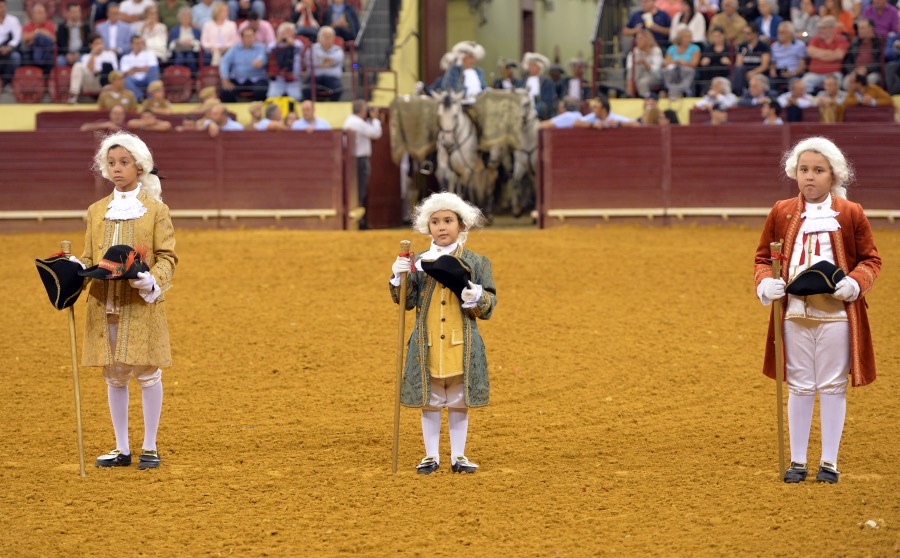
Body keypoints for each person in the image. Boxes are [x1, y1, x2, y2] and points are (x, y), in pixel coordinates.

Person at [754, 136, 881, 484]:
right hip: (794, 312)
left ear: (834, 174)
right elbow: (763, 258)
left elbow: (871, 260)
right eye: (804, 169)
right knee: (799, 385)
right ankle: (797, 460)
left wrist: (854, 282)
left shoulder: (851, 213)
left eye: (818, 170)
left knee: (832, 386)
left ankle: (829, 461)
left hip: (837, 315)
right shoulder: (781, 211)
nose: (809, 176)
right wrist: (765, 283)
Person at [72, 132, 177, 472]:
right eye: (112, 163)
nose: (116, 169)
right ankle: (122, 448)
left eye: (124, 163)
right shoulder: (96, 211)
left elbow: (167, 256)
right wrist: (72, 272)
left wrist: (152, 280)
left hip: (140, 303)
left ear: (139, 167)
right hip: (105, 304)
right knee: (115, 375)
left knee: (147, 372)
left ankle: (150, 446)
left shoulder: (156, 210)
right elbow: (89, 258)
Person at [389, 192, 496, 475]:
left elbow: (488, 307)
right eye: (435, 222)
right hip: (427, 343)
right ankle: (431, 455)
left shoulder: (477, 262)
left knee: (459, 400)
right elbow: (407, 301)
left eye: (448, 220)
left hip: (461, 342)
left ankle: (458, 455)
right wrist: (398, 277)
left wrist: (477, 296)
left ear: (462, 225)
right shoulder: (418, 262)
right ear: (428, 227)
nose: (442, 227)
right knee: (431, 400)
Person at [343, 99, 382, 230]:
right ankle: (359, 221)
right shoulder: (357, 123)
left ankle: (359, 220)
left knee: (358, 190)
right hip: (359, 160)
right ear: (362, 111)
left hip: (356, 160)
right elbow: (376, 133)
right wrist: (375, 119)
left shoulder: (353, 121)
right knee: (359, 190)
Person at [219, 26, 267, 102]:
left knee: (261, 90)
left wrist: (260, 62)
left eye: (251, 36)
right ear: (242, 38)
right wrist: (225, 78)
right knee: (225, 91)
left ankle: (257, 108)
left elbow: (262, 57)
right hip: (238, 79)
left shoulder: (260, 47)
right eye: (247, 36)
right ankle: (234, 108)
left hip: (257, 79)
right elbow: (225, 62)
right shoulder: (235, 48)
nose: (250, 38)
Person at [802, 16, 848, 93]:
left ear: (832, 28)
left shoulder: (841, 39)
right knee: (803, 85)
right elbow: (810, 52)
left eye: (823, 28)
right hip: (814, 74)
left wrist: (817, 53)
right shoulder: (815, 38)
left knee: (835, 84)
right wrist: (831, 53)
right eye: (820, 28)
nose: (820, 31)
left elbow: (839, 55)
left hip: (833, 73)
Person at [68, 33, 118, 103]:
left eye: (101, 43)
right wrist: (93, 54)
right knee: (78, 65)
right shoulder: (86, 57)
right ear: (91, 45)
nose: (100, 45)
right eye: (97, 43)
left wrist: (101, 71)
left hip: (105, 82)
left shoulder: (110, 54)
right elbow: (89, 71)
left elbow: (114, 71)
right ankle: (74, 95)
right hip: (90, 82)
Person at [267, 21, 304, 100]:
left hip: (293, 78)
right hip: (278, 78)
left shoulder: (297, 43)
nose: (287, 35)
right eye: (285, 32)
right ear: (280, 33)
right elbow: (269, 49)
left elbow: (300, 48)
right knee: (272, 97)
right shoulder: (273, 44)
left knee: (296, 97)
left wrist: (291, 43)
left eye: (290, 32)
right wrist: (278, 42)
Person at [842, 19, 882, 90]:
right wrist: (852, 71)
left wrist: (866, 69)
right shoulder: (854, 43)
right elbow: (847, 61)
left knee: (869, 80)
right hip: (855, 72)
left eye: (862, 28)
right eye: (859, 28)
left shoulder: (879, 43)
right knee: (846, 83)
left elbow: (880, 62)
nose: (860, 31)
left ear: (871, 29)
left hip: (871, 72)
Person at [662, 26, 700, 99]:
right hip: (673, 70)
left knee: (687, 72)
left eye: (690, 36)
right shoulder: (672, 48)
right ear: (680, 37)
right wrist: (677, 62)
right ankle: (670, 91)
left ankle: (684, 91)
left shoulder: (695, 48)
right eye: (686, 36)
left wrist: (684, 63)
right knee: (666, 72)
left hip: (687, 70)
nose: (688, 38)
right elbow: (666, 63)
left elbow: (694, 63)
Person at [307, 26, 343, 101]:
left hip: (332, 78)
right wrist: (328, 62)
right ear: (319, 38)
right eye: (325, 36)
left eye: (330, 37)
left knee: (338, 89)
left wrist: (320, 61)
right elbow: (310, 61)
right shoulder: (312, 48)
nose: (327, 39)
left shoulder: (338, 50)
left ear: (333, 38)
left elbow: (335, 60)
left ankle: (332, 105)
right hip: (314, 78)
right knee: (306, 89)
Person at [733, 23, 771, 95]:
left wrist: (753, 72)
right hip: (744, 73)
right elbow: (738, 63)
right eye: (744, 33)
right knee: (738, 69)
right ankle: (737, 93)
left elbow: (764, 65)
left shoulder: (763, 46)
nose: (745, 35)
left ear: (755, 34)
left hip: (759, 72)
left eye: (748, 33)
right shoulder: (742, 46)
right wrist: (747, 74)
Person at [770, 21, 807, 92]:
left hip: (794, 73)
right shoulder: (774, 46)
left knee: (793, 82)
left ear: (790, 34)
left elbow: (802, 66)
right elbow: (773, 63)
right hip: (778, 73)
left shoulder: (800, 45)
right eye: (779, 32)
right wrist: (772, 71)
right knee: (770, 82)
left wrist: (792, 73)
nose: (779, 35)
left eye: (782, 33)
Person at [120, 35, 160, 101]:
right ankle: (139, 97)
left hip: (147, 79)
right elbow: (125, 73)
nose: (139, 45)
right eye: (137, 43)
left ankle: (151, 98)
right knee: (124, 79)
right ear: (131, 45)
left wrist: (135, 69)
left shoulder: (150, 54)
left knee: (153, 70)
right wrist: (143, 69)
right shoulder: (125, 58)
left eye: (141, 43)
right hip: (132, 81)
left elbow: (152, 69)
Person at [626, 28, 663, 98]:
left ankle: (646, 99)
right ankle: (630, 94)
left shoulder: (656, 51)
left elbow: (656, 70)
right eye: (637, 38)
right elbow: (629, 69)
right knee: (633, 70)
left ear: (647, 39)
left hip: (653, 76)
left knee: (643, 82)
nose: (638, 41)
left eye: (640, 38)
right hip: (638, 76)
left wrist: (645, 63)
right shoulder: (633, 52)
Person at [521, 51, 556, 120]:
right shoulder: (523, 81)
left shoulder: (546, 82)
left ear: (539, 67)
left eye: (533, 65)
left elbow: (547, 101)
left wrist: (535, 110)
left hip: (539, 115)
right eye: (529, 65)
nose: (530, 67)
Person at [21, 3, 56, 72]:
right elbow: (25, 38)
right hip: (31, 53)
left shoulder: (50, 25)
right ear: (33, 14)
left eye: (43, 12)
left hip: (46, 53)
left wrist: (36, 37)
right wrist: (38, 32)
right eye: (39, 13)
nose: (42, 15)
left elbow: (54, 39)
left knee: (50, 58)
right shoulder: (27, 26)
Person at [201, 1, 238, 66]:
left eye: (227, 11)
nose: (226, 13)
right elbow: (204, 42)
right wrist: (211, 47)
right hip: (211, 50)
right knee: (209, 55)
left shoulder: (232, 25)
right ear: (217, 11)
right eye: (223, 11)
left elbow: (235, 41)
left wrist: (225, 47)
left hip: (226, 49)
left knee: (228, 54)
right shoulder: (207, 25)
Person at [56, 2, 91, 67]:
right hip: (66, 54)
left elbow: (87, 43)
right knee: (59, 61)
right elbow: (60, 43)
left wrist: (79, 53)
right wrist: (67, 54)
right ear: (68, 13)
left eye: (78, 12)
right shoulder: (62, 27)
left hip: (81, 53)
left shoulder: (86, 27)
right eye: (74, 12)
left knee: (83, 60)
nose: (76, 14)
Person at [167, 6, 200, 71]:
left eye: (187, 16)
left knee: (190, 57)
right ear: (179, 18)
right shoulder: (174, 30)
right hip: (178, 51)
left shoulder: (196, 31)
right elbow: (171, 45)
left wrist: (191, 42)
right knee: (180, 56)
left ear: (190, 18)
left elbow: (199, 43)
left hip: (192, 51)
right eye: (183, 16)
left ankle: (193, 75)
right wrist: (181, 42)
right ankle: (178, 74)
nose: (185, 18)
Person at [0, 0, 23, 88]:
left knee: (15, 57)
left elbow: (17, 38)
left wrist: (8, 47)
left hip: (9, 49)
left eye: (2, 7)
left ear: (6, 7)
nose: (1, 9)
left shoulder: (13, 20)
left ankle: (7, 82)